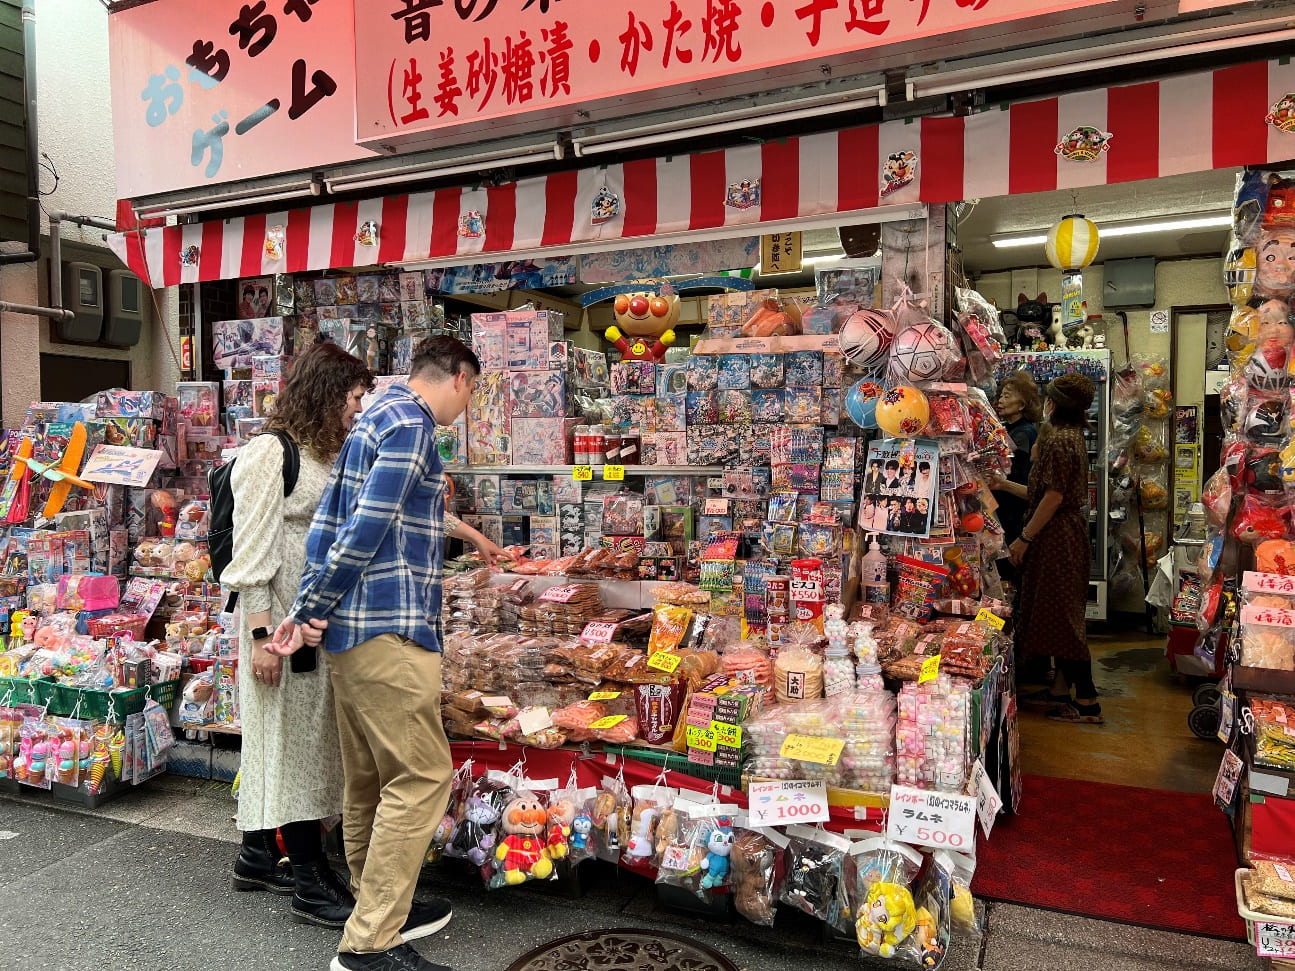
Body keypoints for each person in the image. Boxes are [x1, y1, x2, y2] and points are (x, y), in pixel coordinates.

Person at [268, 337, 505, 971]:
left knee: (371, 778)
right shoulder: (411, 425)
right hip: (389, 631)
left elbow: (328, 527)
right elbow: (366, 528)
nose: (469, 402)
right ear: (457, 377)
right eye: (473, 389)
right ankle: (370, 939)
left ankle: (378, 908)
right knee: (423, 777)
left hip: (354, 635)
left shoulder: (373, 418)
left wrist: (312, 604)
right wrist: (311, 607)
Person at [225, 341, 374, 926]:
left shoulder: (322, 449)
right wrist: (262, 636)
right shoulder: (269, 453)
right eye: (354, 396)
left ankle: (259, 856)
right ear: (327, 392)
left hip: (310, 621)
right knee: (289, 747)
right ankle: (309, 882)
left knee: (306, 746)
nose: (358, 408)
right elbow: (252, 550)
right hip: (278, 626)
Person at [1008, 374, 1101, 724]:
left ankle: (1088, 700)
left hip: (1057, 535)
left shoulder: (1059, 440)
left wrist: (1025, 537)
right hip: (1063, 532)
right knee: (1059, 611)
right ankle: (1061, 689)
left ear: (1055, 403)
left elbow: (1053, 496)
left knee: (1063, 617)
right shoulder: (1069, 436)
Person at [988, 370, 1043, 565]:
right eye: (1001, 395)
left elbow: (1016, 478)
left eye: (1007, 396)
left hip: (1015, 515)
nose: (1001, 400)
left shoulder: (1023, 434)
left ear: (1022, 405)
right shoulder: (1011, 429)